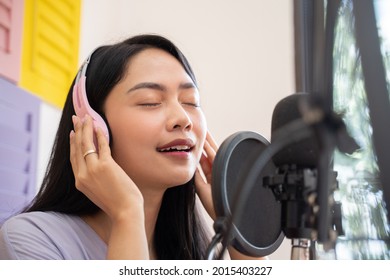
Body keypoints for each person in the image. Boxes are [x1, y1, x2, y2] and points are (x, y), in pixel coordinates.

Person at [0, 34, 265, 260]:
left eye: (191, 101)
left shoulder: (196, 251)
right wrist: (127, 214)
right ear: (93, 126)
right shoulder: (32, 239)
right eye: (150, 101)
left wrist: (234, 223)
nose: (183, 120)